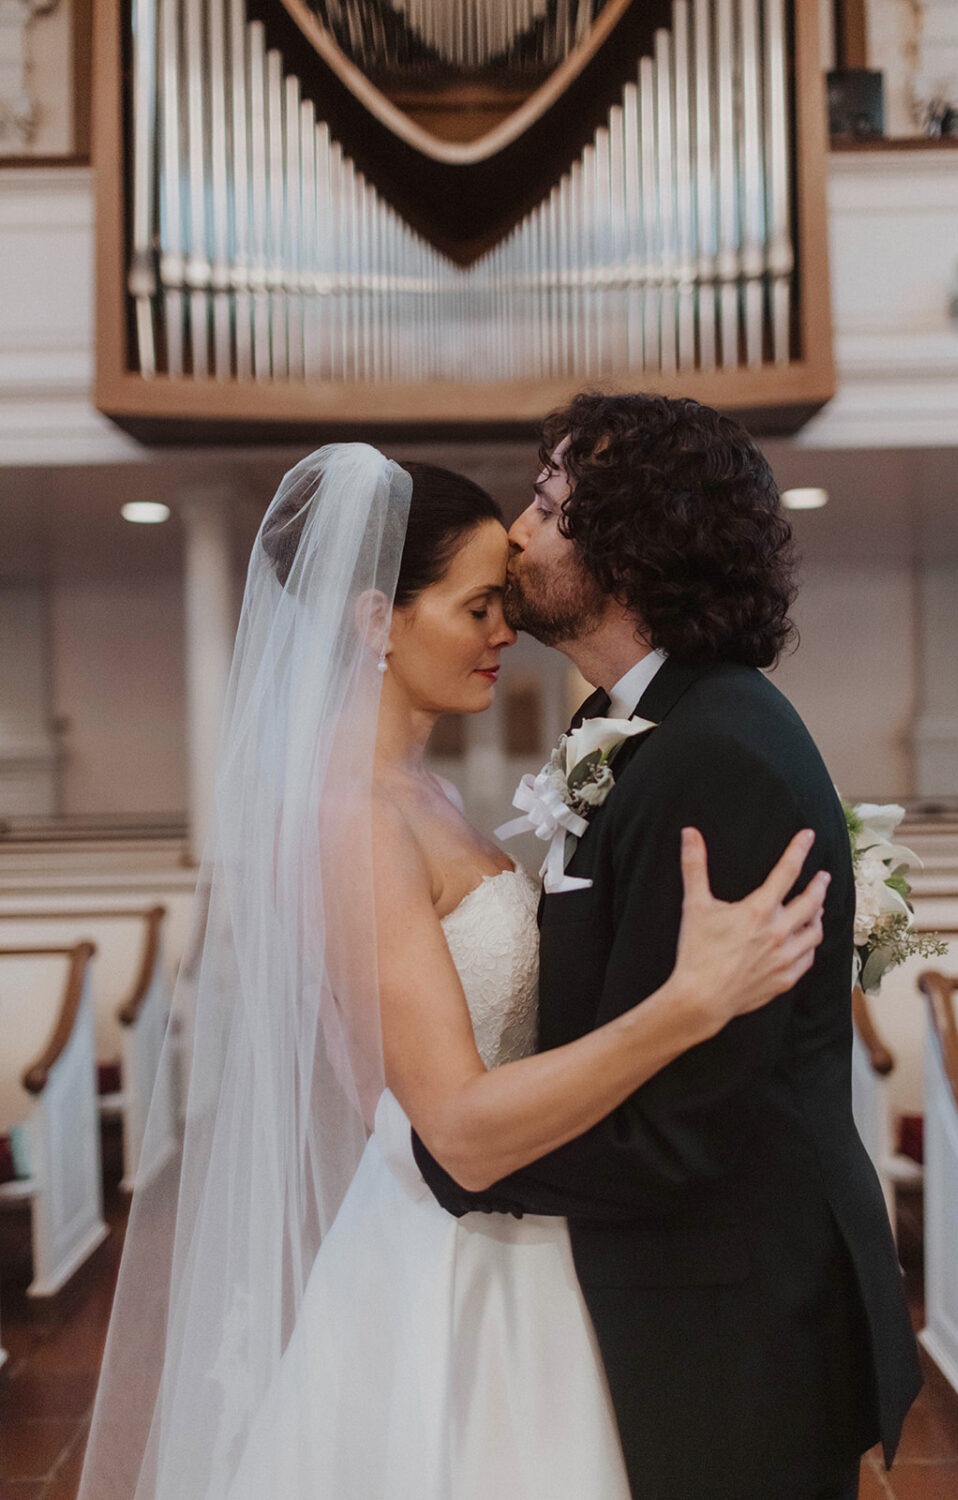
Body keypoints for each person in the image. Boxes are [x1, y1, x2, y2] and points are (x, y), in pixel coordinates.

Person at [78, 443, 827, 1500]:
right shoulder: (353, 820)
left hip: (524, 1228)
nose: (504, 634)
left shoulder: (416, 794)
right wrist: (688, 1002)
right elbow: (460, 1129)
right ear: (377, 620)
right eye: (478, 607)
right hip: (454, 1243)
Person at [414, 393, 924, 1500]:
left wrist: (456, 1161)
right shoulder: (656, 728)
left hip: (738, 1327)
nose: (517, 531)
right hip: (692, 1291)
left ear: (631, 545)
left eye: (549, 502)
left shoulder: (717, 757)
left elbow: (682, 1135)